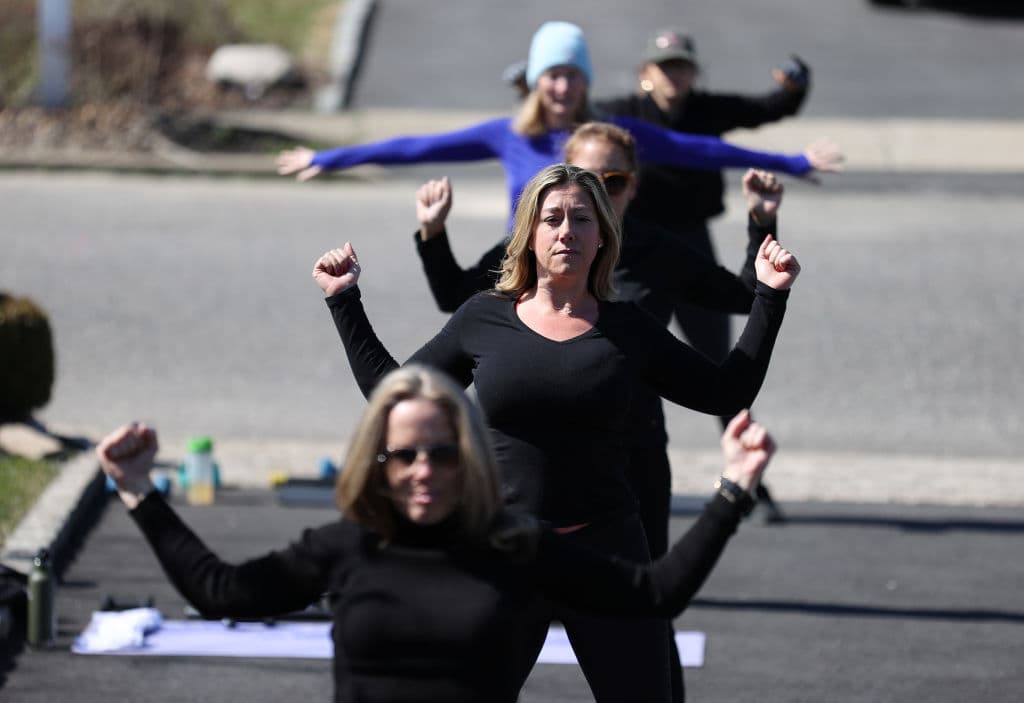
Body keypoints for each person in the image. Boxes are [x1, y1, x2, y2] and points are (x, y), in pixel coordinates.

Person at [313, 163, 800, 701]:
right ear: (529, 235)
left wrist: (769, 298)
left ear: (602, 237)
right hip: (500, 551)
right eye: (553, 218)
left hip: (607, 552)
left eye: (582, 219)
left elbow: (722, 393)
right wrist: (344, 300)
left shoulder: (628, 326)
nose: (567, 230)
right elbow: (395, 392)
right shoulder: (484, 318)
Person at [98, 365, 777, 703]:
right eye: (405, 455)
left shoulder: (515, 545)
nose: (424, 471)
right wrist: (137, 489)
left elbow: (655, 592)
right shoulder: (347, 546)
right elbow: (221, 590)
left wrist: (732, 487)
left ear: (470, 454)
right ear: (379, 460)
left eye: (442, 452)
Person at [277, 21, 841, 224]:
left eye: (574, 75)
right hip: (517, 276)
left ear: (586, 82)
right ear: (537, 80)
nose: (563, 86)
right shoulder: (508, 135)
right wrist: (326, 158)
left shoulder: (608, 139)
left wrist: (791, 162)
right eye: (553, 74)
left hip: (591, 280)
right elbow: (416, 146)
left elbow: (701, 150)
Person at [598, 27, 817, 444]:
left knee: (718, 362)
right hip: (636, 248)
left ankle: (750, 479)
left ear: (695, 73)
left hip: (690, 242)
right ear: (645, 73)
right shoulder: (624, 114)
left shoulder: (707, 110)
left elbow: (766, 109)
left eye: (681, 66)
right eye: (664, 67)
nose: (672, 75)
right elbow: (572, 116)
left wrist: (794, 87)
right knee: (622, 358)